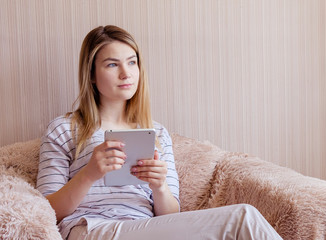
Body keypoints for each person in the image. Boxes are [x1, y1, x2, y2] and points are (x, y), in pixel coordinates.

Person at [36, 25, 282, 240]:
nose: (126, 73)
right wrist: (88, 174)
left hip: (148, 228)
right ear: (91, 75)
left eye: (132, 62)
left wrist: (160, 186)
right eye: (112, 64)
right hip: (92, 229)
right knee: (242, 218)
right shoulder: (64, 129)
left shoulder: (156, 133)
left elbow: (170, 216)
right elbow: (45, 210)